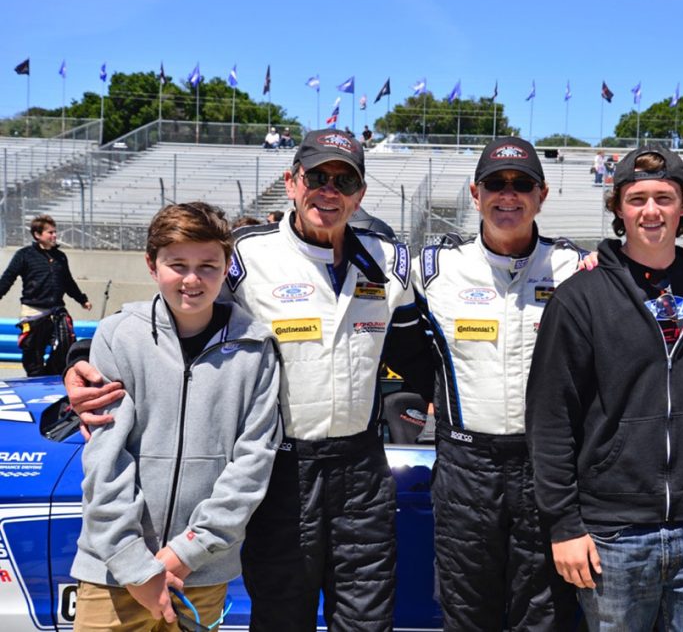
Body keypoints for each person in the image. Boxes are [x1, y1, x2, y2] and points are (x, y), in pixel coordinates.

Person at [64, 129, 434, 631]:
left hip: (361, 466)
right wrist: (81, 359)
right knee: (282, 613)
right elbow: (180, 314)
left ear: (360, 193)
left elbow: (418, 351)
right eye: (317, 177)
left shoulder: (392, 260)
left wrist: (419, 407)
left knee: (367, 616)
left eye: (344, 179)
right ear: (292, 182)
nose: (330, 190)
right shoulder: (244, 256)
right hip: (282, 468)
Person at [526, 145, 683, 631]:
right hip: (613, 535)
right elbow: (550, 418)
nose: (651, 211)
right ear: (618, 208)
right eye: (637, 198)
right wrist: (564, 525)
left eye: (663, 198)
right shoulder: (580, 297)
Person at [70, 202, 282, 629]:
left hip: (198, 575)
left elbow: (252, 465)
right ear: (152, 265)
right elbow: (105, 460)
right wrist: (136, 565)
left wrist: (185, 553)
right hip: (113, 571)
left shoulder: (256, 348)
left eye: (207, 265)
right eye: (177, 264)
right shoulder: (118, 337)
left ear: (227, 269)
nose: (191, 279)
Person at [414, 136, 582, 630]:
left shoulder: (577, 268)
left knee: (545, 614)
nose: (508, 195)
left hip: (546, 467)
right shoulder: (433, 269)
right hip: (466, 465)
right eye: (495, 184)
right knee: (467, 613)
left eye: (522, 184)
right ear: (474, 192)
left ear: (542, 195)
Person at [0, 214, 91, 376]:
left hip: (57, 311)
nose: (54, 235)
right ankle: (35, 378)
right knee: (33, 353)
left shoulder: (60, 257)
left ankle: (50, 375)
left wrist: (82, 299)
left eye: (55, 232)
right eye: (50, 232)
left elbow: (68, 282)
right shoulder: (24, 255)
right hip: (33, 312)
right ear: (37, 235)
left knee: (65, 345)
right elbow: (8, 278)